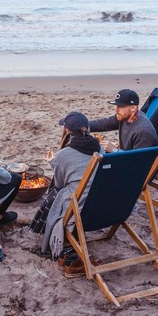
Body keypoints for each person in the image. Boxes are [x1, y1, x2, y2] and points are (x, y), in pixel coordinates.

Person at [30, 111, 101, 261]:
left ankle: (47, 245)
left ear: (68, 131)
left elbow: (60, 184)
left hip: (77, 206)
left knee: (57, 194)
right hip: (97, 205)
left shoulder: (63, 155)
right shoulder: (99, 149)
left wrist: (53, 162)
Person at [89, 89, 158, 152]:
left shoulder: (142, 131)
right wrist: (83, 125)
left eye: (121, 106)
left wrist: (114, 150)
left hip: (132, 163)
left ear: (133, 108)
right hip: (125, 156)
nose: (116, 110)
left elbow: (137, 161)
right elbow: (104, 124)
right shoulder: (125, 117)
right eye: (117, 106)